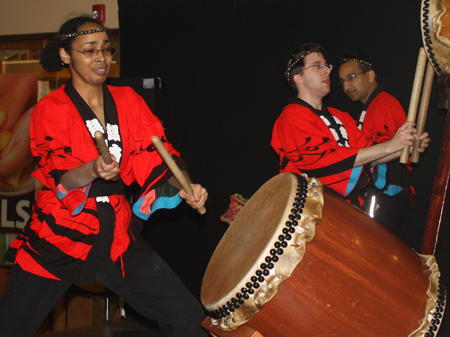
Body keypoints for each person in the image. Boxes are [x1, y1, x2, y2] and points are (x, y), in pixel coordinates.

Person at [0, 16, 209, 337]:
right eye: (88, 50)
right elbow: (62, 177)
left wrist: (183, 185)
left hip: (117, 237)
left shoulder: (128, 101)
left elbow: (156, 153)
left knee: (187, 318)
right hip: (60, 236)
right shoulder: (51, 108)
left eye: (106, 50)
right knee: (11, 328)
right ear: (66, 55)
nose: (100, 57)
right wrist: (93, 169)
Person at [271, 43, 429, 210]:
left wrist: (406, 146)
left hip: (348, 209)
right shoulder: (291, 117)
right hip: (309, 211)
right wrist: (390, 147)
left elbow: (369, 154)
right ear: (299, 78)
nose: (327, 70)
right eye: (317, 66)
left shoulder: (341, 117)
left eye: (326, 65)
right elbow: (320, 159)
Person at [338, 53, 416, 234]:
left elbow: (389, 152)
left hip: (386, 195)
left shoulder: (382, 104)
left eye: (351, 77)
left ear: (371, 76)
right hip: (381, 196)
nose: (346, 86)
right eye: (342, 82)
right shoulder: (371, 106)